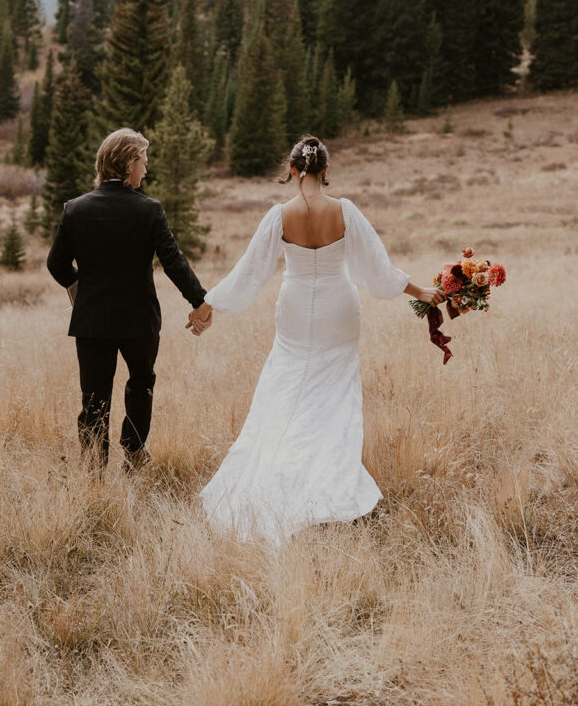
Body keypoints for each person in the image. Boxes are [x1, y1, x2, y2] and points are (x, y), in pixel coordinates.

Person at [187, 135, 445, 543]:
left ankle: (277, 470)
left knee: (285, 385)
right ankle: (328, 483)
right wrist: (422, 292)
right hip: (338, 309)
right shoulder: (345, 211)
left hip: (294, 311)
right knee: (335, 393)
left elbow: (249, 271)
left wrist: (209, 303)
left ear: (291, 170)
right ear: (326, 171)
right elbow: (378, 269)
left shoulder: (279, 215)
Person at [47, 127, 213, 472]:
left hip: (92, 320)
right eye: (143, 162)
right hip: (140, 320)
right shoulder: (149, 210)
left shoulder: (75, 209)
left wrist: (82, 291)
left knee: (93, 396)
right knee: (141, 384)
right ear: (127, 163)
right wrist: (199, 301)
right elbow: (174, 262)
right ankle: (134, 453)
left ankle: (94, 468)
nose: (146, 170)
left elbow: (56, 264)